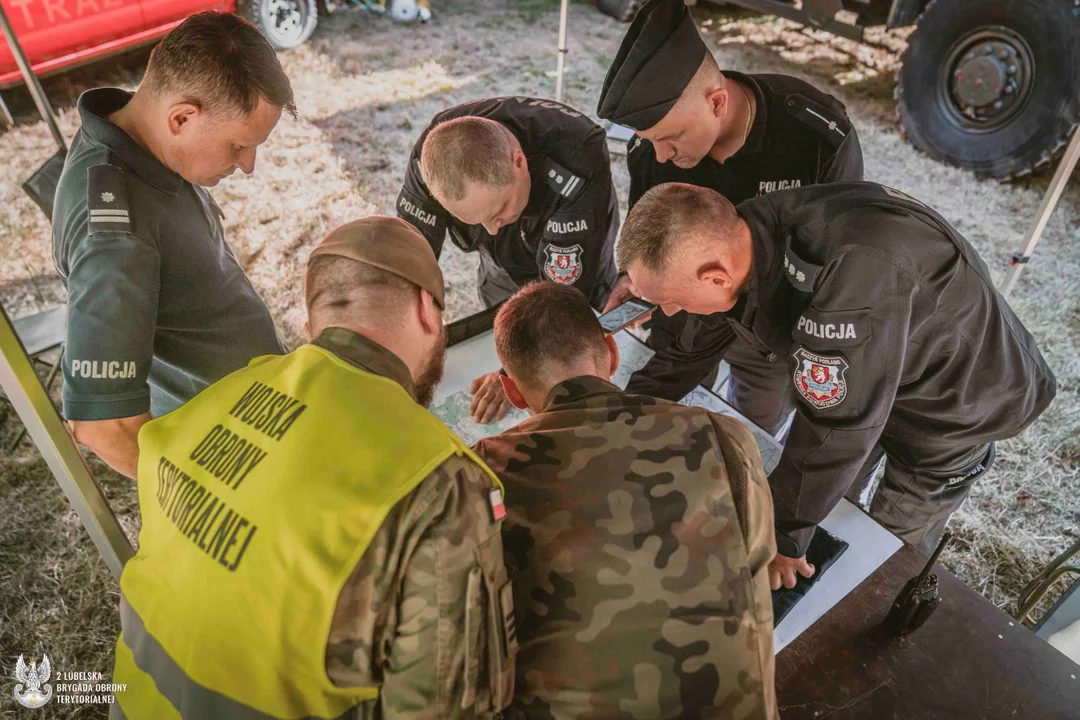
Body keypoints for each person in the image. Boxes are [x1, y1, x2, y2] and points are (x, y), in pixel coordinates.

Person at [110, 217, 515, 719]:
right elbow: (454, 706)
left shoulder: (220, 397)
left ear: (311, 326)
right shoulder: (441, 483)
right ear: (427, 312)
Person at [616, 181, 1057, 590]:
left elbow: (836, 427)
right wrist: (615, 416)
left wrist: (783, 535)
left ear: (715, 276)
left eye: (668, 300)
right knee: (827, 505)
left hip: (954, 408)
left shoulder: (851, 273)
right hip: (878, 376)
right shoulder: (743, 238)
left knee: (883, 549)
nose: (669, 312)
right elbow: (691, 348)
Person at [472, 281, 777, 719]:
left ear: (514, 393)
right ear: (612, 355)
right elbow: (756, 572)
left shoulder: (480, 474)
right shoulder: (724, 436)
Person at [597, 0, 863, 435]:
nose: (661, 154)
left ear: (717, 102)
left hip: (770, 334)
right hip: (683, 317)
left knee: (747, 430)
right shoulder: (652, 148)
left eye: (671, 138)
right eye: (651, 141)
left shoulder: (814, 138)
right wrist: (636, 280)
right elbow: (652, 234)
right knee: (667, 420)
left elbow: (833, 260)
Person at [52, 12, 293, 479]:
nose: (249, 166)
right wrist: (195, 498)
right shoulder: (116, 234)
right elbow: (104, 423)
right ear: (181, 117)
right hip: (233, 461)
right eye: (238, 146)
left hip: (258, 422)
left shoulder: (146, 145)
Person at [396, 96, 620, 424]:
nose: (491, 227)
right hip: (499, 266)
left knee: (569, 368)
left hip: (573, 267)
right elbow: (410, 264)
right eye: (474, 220)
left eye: (499, 209)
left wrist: (512, 374)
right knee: (497, 320)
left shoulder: (576, 157)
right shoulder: (431, 156)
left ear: (519, 162)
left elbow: (560, 301)